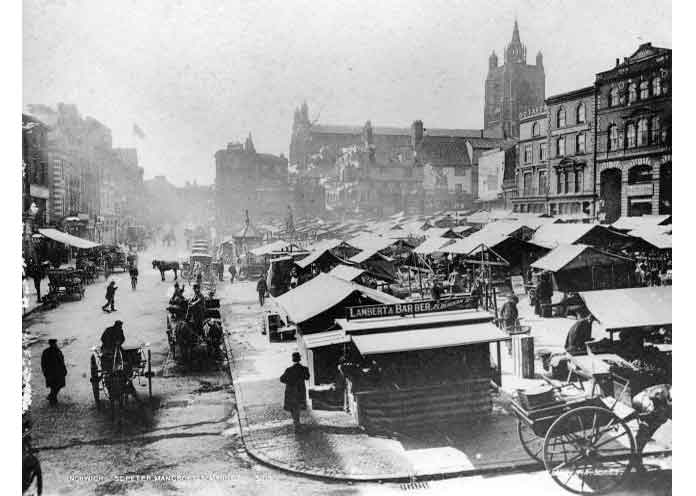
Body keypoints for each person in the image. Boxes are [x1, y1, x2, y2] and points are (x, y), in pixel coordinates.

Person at [280, 352, 310, 429]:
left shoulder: (289, 370)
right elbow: (307, 377)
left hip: (291, 390)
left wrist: (290, 381)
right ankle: (297, 421)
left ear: (292, 359)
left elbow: (282, 379)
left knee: (293, 407)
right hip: (300, 390)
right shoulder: (304, 369)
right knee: (298, 405)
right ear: (300, 359)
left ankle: (296, 421)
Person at [41, 338, 67, 406]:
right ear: (50, 344)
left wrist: (64, 369)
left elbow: (62, 361)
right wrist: (45, 372)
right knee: (54, 386)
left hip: (58, 372)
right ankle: (53, 399)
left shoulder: (58, 351)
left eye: (55, 343)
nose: (54, 345)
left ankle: (51, 396)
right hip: (51, 372)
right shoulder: (46, 352)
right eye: (53, 344)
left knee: (58, 385)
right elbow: (43, 363)